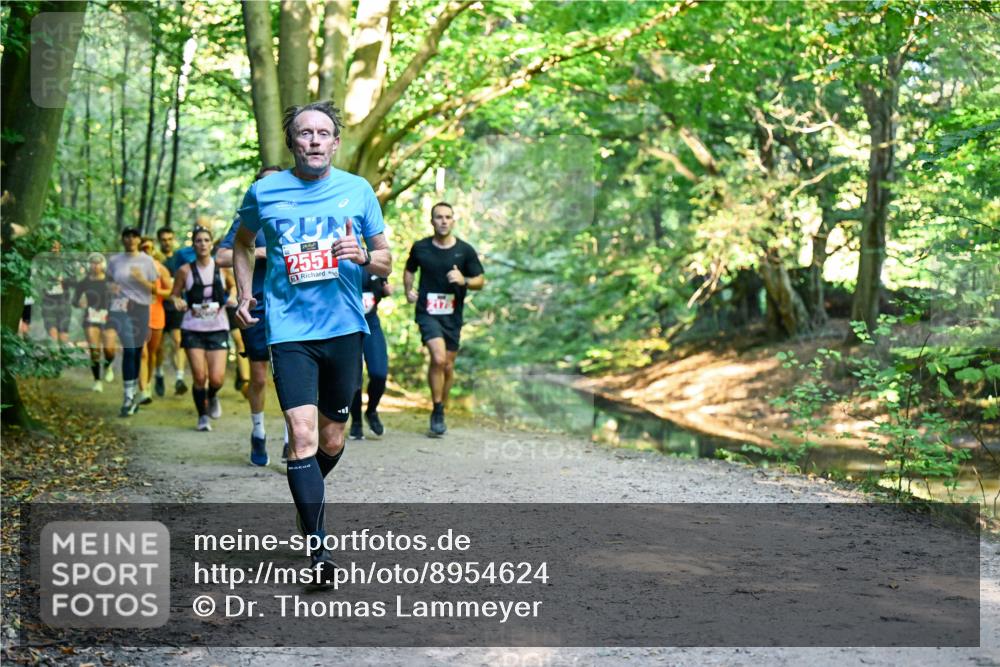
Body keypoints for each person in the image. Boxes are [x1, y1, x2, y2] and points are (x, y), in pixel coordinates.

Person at [233, 101, 391, 580]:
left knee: (330, 438)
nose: (315, 141)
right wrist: (244, 293)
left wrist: (363, 256)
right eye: (306, 133)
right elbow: (241, 243)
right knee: (300, 438)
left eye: (324, 133)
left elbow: (385, 259)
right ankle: (319, 553)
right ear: (292, 142)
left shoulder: (358, 190)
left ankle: (307, 494)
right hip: (289, 333)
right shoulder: (264, 191)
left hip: (344, 329)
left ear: (335, 143)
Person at [217, 165, 284, 466]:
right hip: (255, 305)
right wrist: (257, 252)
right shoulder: (246, 220)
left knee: (290, 375)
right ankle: (258, 433)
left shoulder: (295, 215)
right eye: (264, 184)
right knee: (258, 378)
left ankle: (290, 436)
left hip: (290, 307)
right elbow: (220, 255)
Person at [403, 202, 484, 436]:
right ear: (432, 221)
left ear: (453, 221)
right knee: (438, 359)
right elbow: (410, 270)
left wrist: (464, 280)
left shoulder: (465, 251)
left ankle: (442, 407)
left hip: (452, 316)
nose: (443, 221)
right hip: (427, 312)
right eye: (439, 217)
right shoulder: (421, 248)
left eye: (448, 217)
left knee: (448, 365)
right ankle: (437, 409)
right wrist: (408, 291)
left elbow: (480, 280)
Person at [169, 227, 234, 432]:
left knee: (216, 378)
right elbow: (174, 294)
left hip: (217, 326)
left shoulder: (222, 268)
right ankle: (202, 416)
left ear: (212, 243)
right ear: (193, 245)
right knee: (199, 377)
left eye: (206, 240)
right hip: (193, 327)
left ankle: (212, 395)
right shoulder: (184, 271)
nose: (203, 244)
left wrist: (232, 296)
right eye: (199, 241)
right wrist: (177, 301)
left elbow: (234, 286)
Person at [107, 227, 159, 417]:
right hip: (120, 307)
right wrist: (110, 288)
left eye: (133, 236)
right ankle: (128, 396)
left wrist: (140, 279)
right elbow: (107, 282)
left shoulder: (147, 261)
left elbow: (155, 289)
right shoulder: (114, 261)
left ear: (138, 239)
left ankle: (134, 392)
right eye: (126, 236)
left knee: (136, 350)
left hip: (141, 308)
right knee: (129, 347)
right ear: (123, 239)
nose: (130, 239)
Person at [348, 270, 392, 440]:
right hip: (347, 325)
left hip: (371, 322)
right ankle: (356, 422)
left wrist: (386, 290)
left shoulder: (373, 262)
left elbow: (381, 289)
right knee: (353, 376)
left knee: (379, 373)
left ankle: (371, 410)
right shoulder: (338, 259)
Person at [156, 226, 195, 396]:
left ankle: (179, 377)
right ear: (159, 241)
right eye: (163, 240)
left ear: (173, 240)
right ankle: (159, 373)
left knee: (178, 341)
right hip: (158, 307)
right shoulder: (155, 260)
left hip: (176, 307)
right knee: (158, 346)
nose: (167, 242)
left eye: (169, 239)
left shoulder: (179, 259)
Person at [137, 236, 172, 405]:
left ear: (153, 250)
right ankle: (143, 390)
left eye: (148, 248)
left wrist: (151, 287)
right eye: (142, 248)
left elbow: (170, 292)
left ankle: (148, 382)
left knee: (151, 354)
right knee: (141, 353)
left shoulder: (161, 269)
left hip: (156, 314)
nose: (145, 251)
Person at [75, 252, 116, 392]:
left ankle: (108, 365)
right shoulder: (84, 282)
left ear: (103, 264)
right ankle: (97, 380)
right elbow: (75, 300)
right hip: (91, 317)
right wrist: (79, 303)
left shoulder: (110, 280)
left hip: (109, 317)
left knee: (109, 350)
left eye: (98, 263)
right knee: (94, 350)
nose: (96, 266)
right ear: (89, 265)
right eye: (93, 263)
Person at [41, 240, 72, 345]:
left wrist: (64, 279)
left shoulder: (66, 263)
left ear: (60, 248)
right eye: (52, 248)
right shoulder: (42, 262)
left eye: (56, 247)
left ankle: (63, 354)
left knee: (63, 329)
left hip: (63, 300)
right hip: (48, 300)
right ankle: (55, 355)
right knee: (51, 327)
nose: (54, 250)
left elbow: (74, 280)